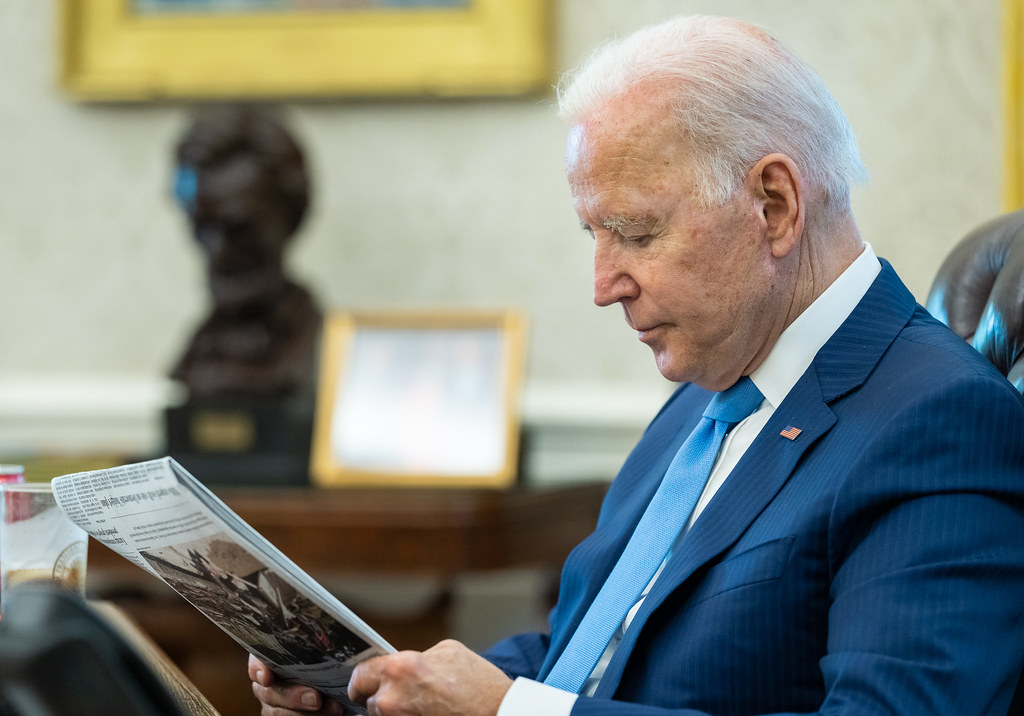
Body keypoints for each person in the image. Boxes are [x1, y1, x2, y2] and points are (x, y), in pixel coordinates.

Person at [250, 14, 1024, 715]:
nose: (602, 286)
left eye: (636, 232)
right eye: (593, 232)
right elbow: (581, 660)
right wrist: (378, 689)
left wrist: (506, 715)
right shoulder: (705, 397)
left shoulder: (942, 421)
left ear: (776, 206)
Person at [170, 104, 322, 399]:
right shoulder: (199, 355)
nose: (220, 251)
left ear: (287, 218)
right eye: (204, 228)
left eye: (240, 230)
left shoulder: (319, 347)